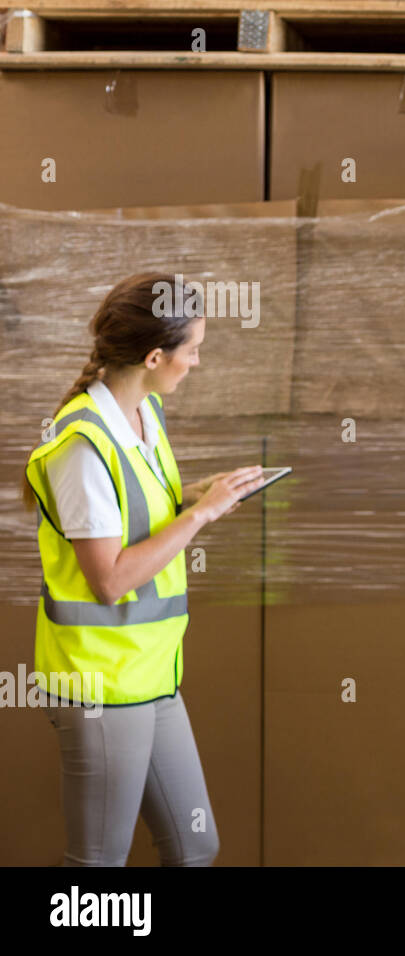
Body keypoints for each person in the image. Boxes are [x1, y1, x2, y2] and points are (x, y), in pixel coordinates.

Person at [21, 272, 265, 866]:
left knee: (194, 846)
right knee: (98, 865)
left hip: (152, 676)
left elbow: (141, 515)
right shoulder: (81, 447)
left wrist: (205, 496)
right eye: (193, 350)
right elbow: (110, 580)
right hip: (101, 684)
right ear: (155, 356)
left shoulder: (144, 414)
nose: (197, 362)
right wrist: (200, 517)